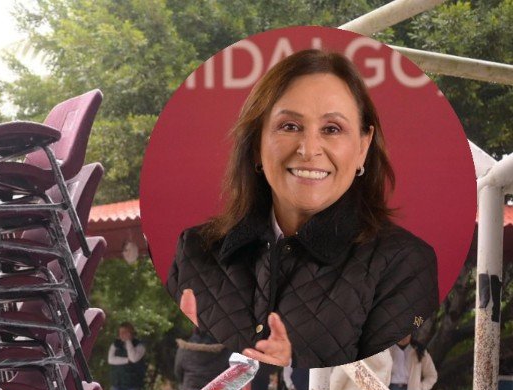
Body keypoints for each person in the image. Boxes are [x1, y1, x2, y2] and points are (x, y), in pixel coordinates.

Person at [167, 49, 438, 369]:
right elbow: (187, 367)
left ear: (363, 147)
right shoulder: (194, 251)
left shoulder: (405, 263)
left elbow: (380, 381)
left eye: (332, 129)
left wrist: (293, 366)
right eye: (290, 126)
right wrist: (204, 353)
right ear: (257, 144)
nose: (309, 150)